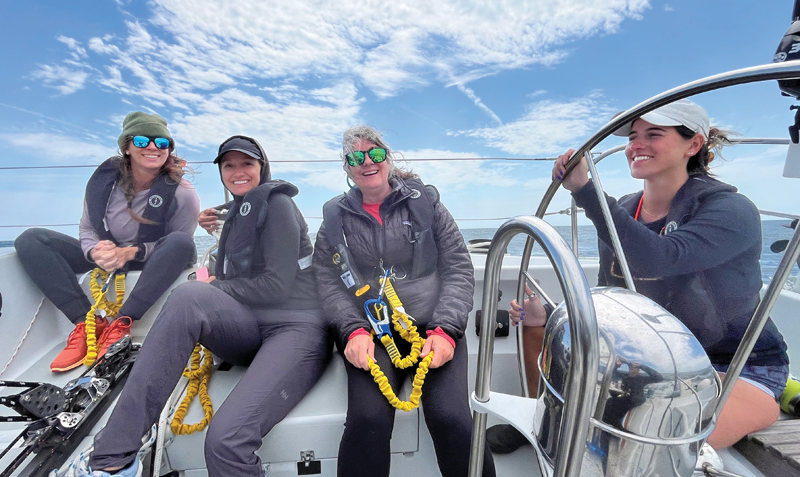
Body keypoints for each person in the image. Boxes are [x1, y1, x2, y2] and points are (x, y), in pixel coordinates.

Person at [498, 99, 790, 452]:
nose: (636, 145)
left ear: (693, 144)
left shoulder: (730, 210)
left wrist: (585, 192)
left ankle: (765, 399)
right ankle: (546, 414)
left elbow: (660, 259)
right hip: (653, 360)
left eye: (653, 134)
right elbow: (615, 294)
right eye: (633, 136)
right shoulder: (623, 209)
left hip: (733, 365)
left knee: (664, 447)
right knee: (545, 324)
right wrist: (556, 310)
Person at [85, 136, 331, 477]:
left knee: (225, 442)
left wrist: (218, 285)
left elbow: (275, 286)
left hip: (295, 328)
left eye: (247, 164)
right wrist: (212, 275)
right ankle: (110, 459)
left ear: (263, 167)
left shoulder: (277, 205)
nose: (238, 171)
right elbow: (235, 270)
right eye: (228, 165)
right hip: (251, 327)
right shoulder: (236, 214)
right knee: (187, 296)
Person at [313, 126, 496, 477]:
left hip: (433, 327)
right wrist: (352, 332)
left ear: (388, 157)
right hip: (372, 332)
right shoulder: (334, 218)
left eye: (375, 154)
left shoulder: (425, 203)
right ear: (347, 167)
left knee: (451, 418)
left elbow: (458, 268)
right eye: (356, 157)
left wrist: (446, 330)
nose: (367, 162)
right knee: (367, 419)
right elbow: (327, 282)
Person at [14, 112, 199, 372]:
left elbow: (182, 246)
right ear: (126, 146)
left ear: (169, 150)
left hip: (150, 260)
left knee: (180, 243)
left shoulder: (184, 193)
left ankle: (122, 322)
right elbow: (88, 226)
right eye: (143, 140)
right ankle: (87, 324)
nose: (153, 147)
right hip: (107, 254)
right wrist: (94, 252)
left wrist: (131, 252)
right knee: (31, 239)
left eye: (162, 143)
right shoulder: (105, 183)